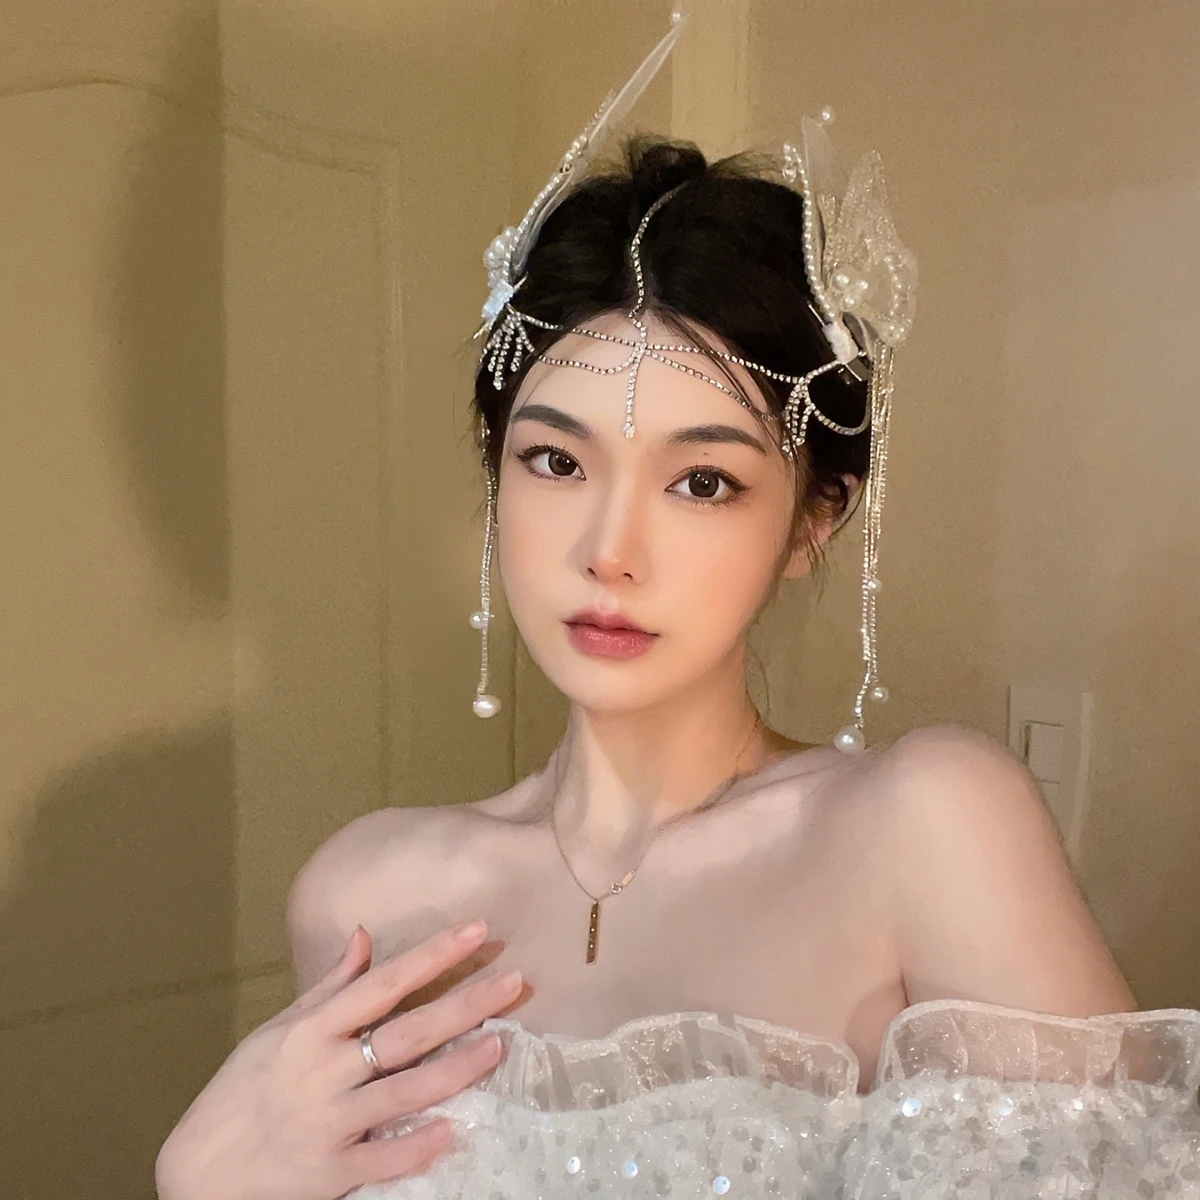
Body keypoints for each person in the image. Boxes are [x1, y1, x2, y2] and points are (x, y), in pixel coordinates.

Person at [157, 15, 1200, 1200]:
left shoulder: (927, 830)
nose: (610, 552)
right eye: (557, 461)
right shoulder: (364, 894)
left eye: (702, 482)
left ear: (812, 520)